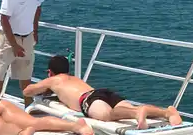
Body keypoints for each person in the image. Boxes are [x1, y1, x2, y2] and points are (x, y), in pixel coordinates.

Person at [24, 55, 182, 129]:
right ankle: (166, 112)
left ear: (50, 72)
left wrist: (45, 86)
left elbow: (27, 91)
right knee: (125, 109)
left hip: (88, 100)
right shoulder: (74, 78)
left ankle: (139, 112)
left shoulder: (53, 80)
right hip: (100, 92)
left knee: (110, 115)